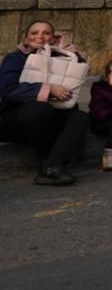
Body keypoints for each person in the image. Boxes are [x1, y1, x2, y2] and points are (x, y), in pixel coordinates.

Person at [0, 20, 91, 185]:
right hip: (16, 119)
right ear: (26, 38)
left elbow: (81, 73)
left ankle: (52, 167)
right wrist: (48, 89)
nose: (40, 36)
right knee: (39, 109)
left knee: (80, 118)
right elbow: (6, 89)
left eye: (46, 33)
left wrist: (70, 54)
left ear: (53, 37)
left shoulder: (63, 56)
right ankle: (45, 160)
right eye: (34, 33)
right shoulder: (14, 58)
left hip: (51, 115)